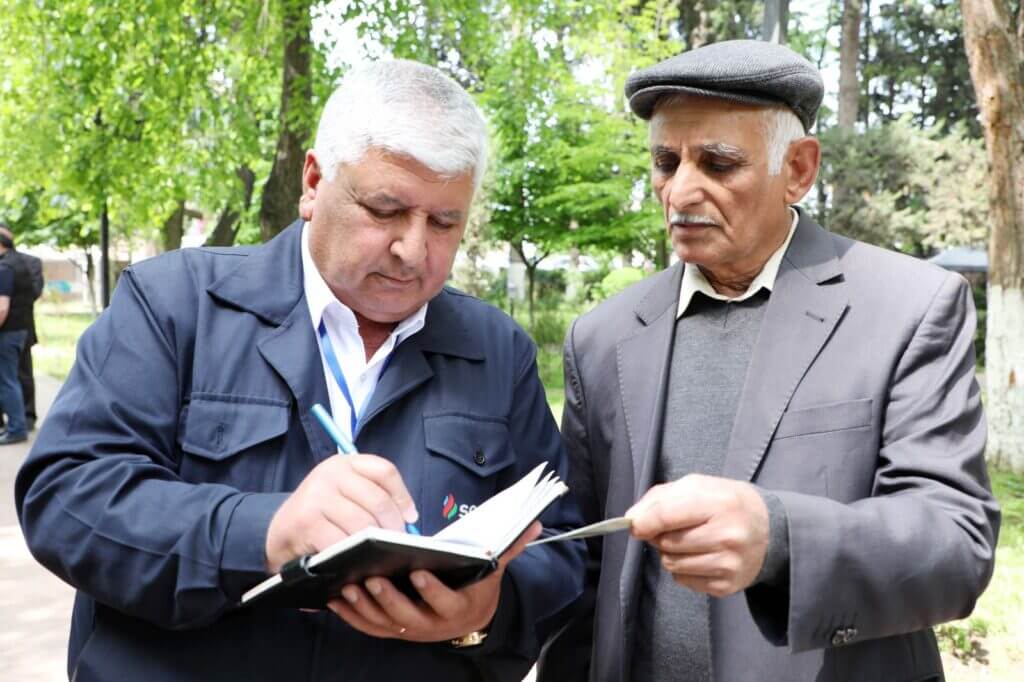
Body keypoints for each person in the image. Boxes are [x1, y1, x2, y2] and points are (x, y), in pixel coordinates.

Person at [16, 60, 584, 681]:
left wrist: (489, 611)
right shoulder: (176, 304)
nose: (412, 249)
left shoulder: (496, 351)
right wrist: (265, 532)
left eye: (445, 223)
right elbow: (66, 497)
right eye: (385, 210)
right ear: (313, 183)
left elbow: (559, 545)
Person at [537, 40, 999, 682]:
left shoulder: (908, 307)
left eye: (718, 162)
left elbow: (955, 544)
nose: (680, 190)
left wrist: (780, 540)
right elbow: (583, 575)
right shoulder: (602, 336)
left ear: (799, 169)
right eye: (666, 162)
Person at [0, 226, 44, 432]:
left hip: (17, 327)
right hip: (12, 329)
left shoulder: (22, 263)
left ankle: (24, 420)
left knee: (19, 376)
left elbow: (30, 294)